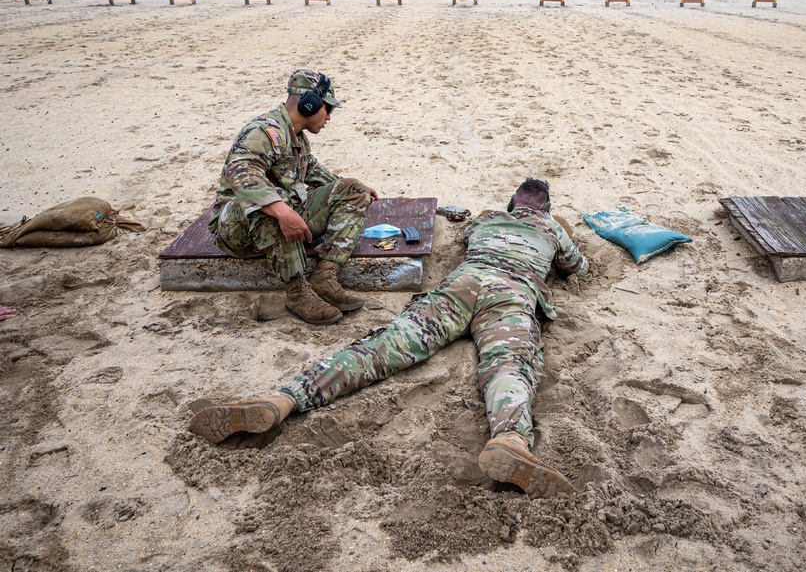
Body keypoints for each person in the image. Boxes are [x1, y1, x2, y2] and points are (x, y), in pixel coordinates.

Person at [190, 178, 589, 499]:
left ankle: (284, 399)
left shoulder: (485, 222)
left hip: (463, 284)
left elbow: (467, 239)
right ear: (546, 209)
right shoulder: (552, 227)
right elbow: (576, 267)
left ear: (511, 204)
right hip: (511, 293)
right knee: (508, 363)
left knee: (381, 348)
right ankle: (510, 440)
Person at [210, 69, 379, 325]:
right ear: (310, 105)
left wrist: (355, 192)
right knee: (274, 200)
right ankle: (297, 292)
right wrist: (281, 210)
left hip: (280, 218)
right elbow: (240, 171)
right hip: (238, 232)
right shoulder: (264, 132)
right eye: (328, 109)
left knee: (353, 188)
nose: (329, 117)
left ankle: (325, 277)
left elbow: (312, 170)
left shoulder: (296, 137)